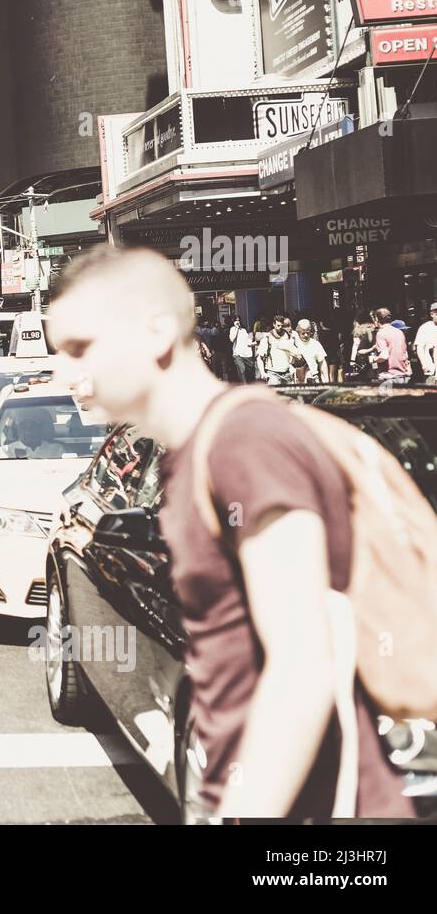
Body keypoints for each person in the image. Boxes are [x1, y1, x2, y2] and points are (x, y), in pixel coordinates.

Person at [48, 245, 412, 821]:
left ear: (158, 332)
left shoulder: (243, 441)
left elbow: (303, 659)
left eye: (80, 348)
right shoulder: (192, 454)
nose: (63, 372)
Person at [256, 314, 300, 384]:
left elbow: (294, 354)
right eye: (278, 325)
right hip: (273, 373)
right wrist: (263, 373)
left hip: (287, 373)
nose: (280, 327)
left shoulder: (288, 336)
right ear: (274, 324)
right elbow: (259, 357)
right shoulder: (267, 338)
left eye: (282, 326)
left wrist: (291, 365)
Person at [371, 307, 410, 384]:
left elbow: (384, 356)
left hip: (388, 377)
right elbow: (405, 354)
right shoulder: (399, 332)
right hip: (402, 376)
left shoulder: (381, 333)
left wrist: (374, 359)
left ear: (377, 319)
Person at [348, 311, 377, 381]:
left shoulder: (358, 330)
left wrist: (352, 360)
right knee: (375, 373)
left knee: (365, 376)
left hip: (363, 357)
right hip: (375, 355)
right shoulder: (374, 328)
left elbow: (355, 345)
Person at [415, 300, 437, 385]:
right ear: (432, 314)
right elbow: (419, 348)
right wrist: (424, 363)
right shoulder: (425, 328)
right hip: (431, 369)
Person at [228, 315, 255, 384]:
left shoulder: (244, 330)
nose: (237, 322)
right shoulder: (232, 329)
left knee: (250, 373)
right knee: (242, 371)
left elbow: (248, 342)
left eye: (238, 320)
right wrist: (236, 329)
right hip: (238, 354)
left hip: (247, 354)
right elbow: (232, 339)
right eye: (235, 320)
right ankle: (244, 387)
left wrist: (255, 343)